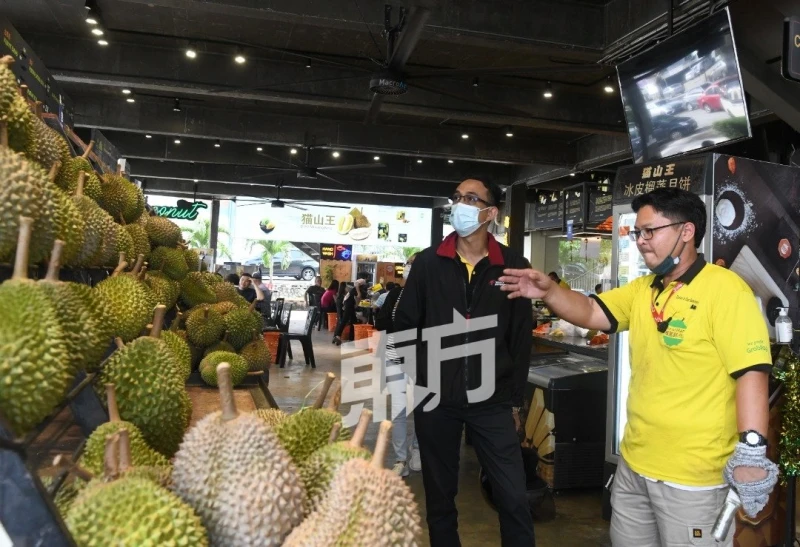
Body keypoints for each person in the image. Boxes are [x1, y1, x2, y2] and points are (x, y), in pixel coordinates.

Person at [499, 188, 777, 547]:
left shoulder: (726, 291)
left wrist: (752, 449)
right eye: (638, 232)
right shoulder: (644, 289)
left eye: (651, 231)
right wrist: (550, 292)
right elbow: (590, 312)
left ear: (687, 231)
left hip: (692, 477)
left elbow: (752, 371)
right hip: (634, 465)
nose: (641, 241)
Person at [394, 178, 535, 547]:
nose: (461, 204)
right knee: (440, 498)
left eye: (472, 198)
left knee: (513, 497)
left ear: (491, 212)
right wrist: (422, 378)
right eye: (457, 198)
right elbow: (405, 325)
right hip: (437, 400)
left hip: (493, 401)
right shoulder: (429, 262)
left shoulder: (514, 266)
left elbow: (520, 339)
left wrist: (514, 400)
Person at [381, 255, 421, 477]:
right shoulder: (396, 293)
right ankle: (400, 458)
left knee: (421, 409)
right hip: (393, 357)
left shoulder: (431, 296)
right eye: (408, 264)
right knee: (398, 409)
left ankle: (416, 449)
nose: (409, 268)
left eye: (413, 265)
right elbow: (382, 321)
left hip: (420, 359)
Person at [333, 273, 370, 345]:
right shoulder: (362, 280)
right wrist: (359, 293)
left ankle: (351, 338)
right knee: (345, 319)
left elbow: (357, 297)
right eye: (368, 277)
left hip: (349, 301)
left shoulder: (362, 287)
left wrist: (356, 304)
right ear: (366, 277)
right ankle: (337, 336)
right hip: (349, 301)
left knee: (354, 321)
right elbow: (356, 284)